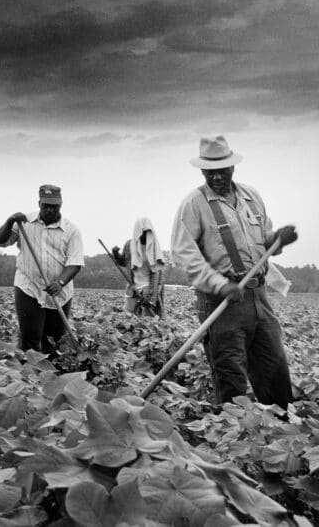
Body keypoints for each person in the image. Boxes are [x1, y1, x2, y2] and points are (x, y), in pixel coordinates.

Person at [171, 135, 297, 409]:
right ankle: (234, 436)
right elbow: (184, 253)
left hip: (258, 296)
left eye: (222, 171)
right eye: (209, 172)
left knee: (274, 367)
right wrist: (218, 284)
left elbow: (264, 242)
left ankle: (282, 425)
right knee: (230, 374)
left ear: (233, 168)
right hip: (221, 301)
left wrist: (278, 239)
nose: (216, 177)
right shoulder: (194, 204)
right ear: (202, 170)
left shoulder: (252, 197)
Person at [0, 184, 84, 355]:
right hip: (28, 286)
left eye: (54, 206)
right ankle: (30, 376)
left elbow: (75, 262)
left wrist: (60, 282)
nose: (49, 210)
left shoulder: (72, 230)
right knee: (30, 338)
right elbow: (0, 241)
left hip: (59, 291)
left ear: (61, 205)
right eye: (46, 206)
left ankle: (50, 376)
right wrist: (9, 221)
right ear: (39, 203)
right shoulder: (23, 222)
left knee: (53, 340)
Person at [112, 217, 166, 317]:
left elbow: (158, 273)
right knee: (129, 315)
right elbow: (124, 262)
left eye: (147, 232)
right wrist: (115, 254)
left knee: (148, 318)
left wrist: (151, 296)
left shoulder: (154, 248)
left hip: (148, 287)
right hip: (132, 285)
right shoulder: (129, 245)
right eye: (142, 231)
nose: (144, 234)